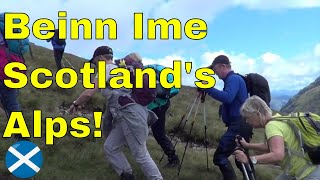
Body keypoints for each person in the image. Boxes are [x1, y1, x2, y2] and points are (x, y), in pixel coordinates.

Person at [68, 48, 163, 180]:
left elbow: (89, 92)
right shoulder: (121, 69)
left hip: (130, 115)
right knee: (110, 147)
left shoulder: (106, 70)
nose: (95, 65)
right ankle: (127, 176)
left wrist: (75, 104)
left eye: (95, 62)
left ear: (101, 58)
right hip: (125, 115)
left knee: (140, 154)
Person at [234, 95, 320, 180]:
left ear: (257, 114)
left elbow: (278, 155)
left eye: (247, 118)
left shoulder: (271, 127)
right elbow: (271, 146)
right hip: (306, 168)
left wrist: (249, 160)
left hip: (308, 173)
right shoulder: (278, 119)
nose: (247, 121)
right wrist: (247, 145)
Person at [200, 55, 254, 180]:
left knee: (220, 157)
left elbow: (228, 97)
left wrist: (207, 88)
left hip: (239, 125)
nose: (215, 73)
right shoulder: (233, 80)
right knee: (240, 157)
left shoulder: (233, 79)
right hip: (241, 124)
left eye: (215, 70)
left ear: (223, 66)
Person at [145, 64, 180, 168]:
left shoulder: (154, 70)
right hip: (155, 104)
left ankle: (173, 159)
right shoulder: (150, 69)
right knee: (142, 128)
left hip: (158, 105)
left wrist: (163, 94)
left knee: (158, 133)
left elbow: (175, 88)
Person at [0, 30, 27, 141]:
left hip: (3, 71)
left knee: (11, 106)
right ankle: (20, 135)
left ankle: (22, 136)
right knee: (11, 105)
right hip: (11, 71)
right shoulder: (7, 29)